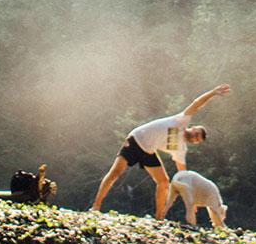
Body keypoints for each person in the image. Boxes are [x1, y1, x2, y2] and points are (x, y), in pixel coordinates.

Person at [90, 83, 231, 218]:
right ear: (193, 128)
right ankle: (96, 206)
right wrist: (213, 93)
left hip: (148, 151)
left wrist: (191, 200)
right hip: (137, 138)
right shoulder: (181, 121)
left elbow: (183, 177)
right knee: (115, 172)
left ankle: (159, 218)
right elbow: (196, 104)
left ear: (196, 142)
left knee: (164, 182)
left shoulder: (181, 150)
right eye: (196, 134)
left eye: (196, 139)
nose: (194, 137)